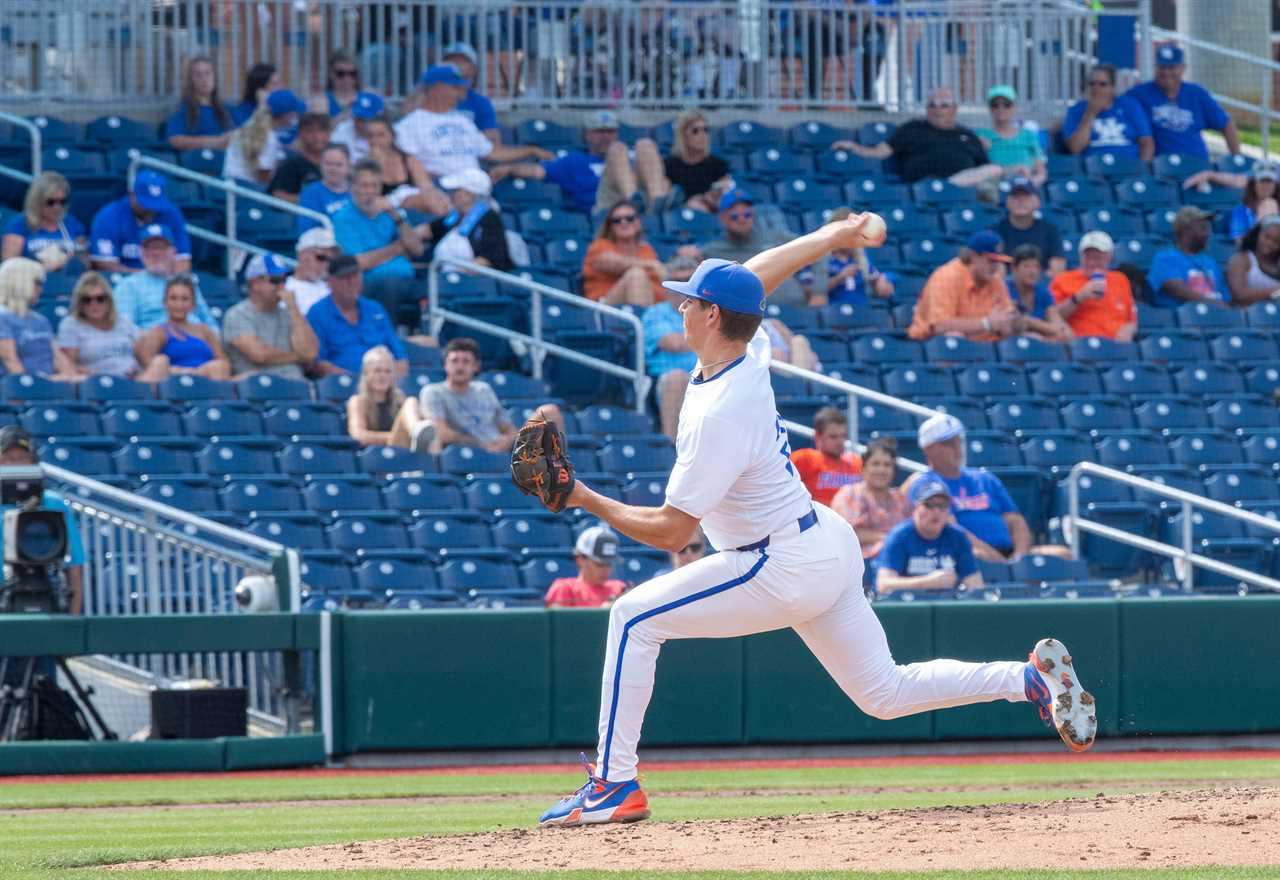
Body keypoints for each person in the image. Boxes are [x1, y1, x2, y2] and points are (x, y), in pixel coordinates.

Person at [537, 217, 1096, 828]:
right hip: (822, 540)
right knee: (884, 693)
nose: (681, 305)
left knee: (631, 618)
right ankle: (1027, 680)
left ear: (712, 317)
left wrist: (582, 496)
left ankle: (615, 784)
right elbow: (756, 277)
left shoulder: (720, 412)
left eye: (690, 300)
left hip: (773, 562)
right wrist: (832, 237)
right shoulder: (747, 349)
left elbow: (674, 533)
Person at [913, 413, 1070, 562]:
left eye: (958, 441)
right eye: (948, 443)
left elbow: (1015, 521)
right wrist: (995, 559)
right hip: (969, 554)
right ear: (928, 449)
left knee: (1063, 555)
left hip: (1009, 552)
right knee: (975, 556)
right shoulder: (926, 484)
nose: (957, 448)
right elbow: (952, 530)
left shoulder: (984, 478)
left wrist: (1019, 558)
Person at [488, 110, 666, 216]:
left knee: (646, 144)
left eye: (610, 132)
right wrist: (509, 168)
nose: (605, 137)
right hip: (606, 208)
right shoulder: (575, 161)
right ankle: (632, 202)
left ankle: (658, 203)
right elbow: (538, 171)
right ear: (587, 135)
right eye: (599, 132)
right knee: (618, 149)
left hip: (645, 202)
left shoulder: (632, 154)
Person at [394, 64, 549, 180]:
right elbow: (407, 165)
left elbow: (492, 152)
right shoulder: (409, 125)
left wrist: (531, 150)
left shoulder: (462, 121)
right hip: (443, 188)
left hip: (475, 186)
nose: (461, 93)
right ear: (436, 89)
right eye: (455, 87)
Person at [831, 87, 1002, 187]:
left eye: (943, 105)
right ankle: (944, 187)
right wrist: (855, 147)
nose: (937, 109)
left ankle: (949, 186)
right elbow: (880, 152)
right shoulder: (913, 128)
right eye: (932, 105)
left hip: (961, 190)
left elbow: (985, 168)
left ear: (954, 109)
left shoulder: (967, 135)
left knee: (995, 170)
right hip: (920, 187)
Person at [419, 337, 564, 454]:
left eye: (466, 361)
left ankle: (559, 476)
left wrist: (505, 441)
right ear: (445, 365)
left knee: (550, 411)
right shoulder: (433, 392)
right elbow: (440, 432)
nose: (460, 366)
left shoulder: (484, 389)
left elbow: (508, 428)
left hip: (503, 450)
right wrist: (481, 444)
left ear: (476, 366)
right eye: (454, 361)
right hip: (468, 452)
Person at [0, 426, 85, 614]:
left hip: (44, 594)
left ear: (33, 461)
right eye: (7, 458)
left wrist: (73, 622)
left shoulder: (53, 503)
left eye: (22, 458)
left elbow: (75, 565)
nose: (15, 465)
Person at [332, 159, 425, 328]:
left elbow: (417, 249)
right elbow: (358, 263)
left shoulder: (389, 214)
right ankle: (387, 339)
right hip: (368, 282)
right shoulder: (344, 218)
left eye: (374, 186)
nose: (370, 191)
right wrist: (397, 248)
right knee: (390, 284)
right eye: (364, 186)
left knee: (435, 287)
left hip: (407, 279)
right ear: (353, 187)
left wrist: (396, 216)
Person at [700, 189, 824, 307]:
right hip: (750, 315)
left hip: (796, 306)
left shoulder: (776, 237)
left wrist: (819, 292)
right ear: (722, 219)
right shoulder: (712, 251)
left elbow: (819, 246)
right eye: (735, 216)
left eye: (747, 215)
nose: (742, 220)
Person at [1124, 45, 1240, 160]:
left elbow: (1226, 125)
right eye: (1162, 67)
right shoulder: (1139, 94)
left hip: (1197, 163)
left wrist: (1236, 158)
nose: (1166, 72)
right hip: (1161, 167)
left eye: (1172, 67)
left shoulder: (1196, 93)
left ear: (1183, 68)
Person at [874, 478, 982, 597]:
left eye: (942, 506)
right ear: (915, 508)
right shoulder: (900, 536)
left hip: (948, 606)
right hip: (908, 607)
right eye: (929, 505)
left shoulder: (958, 537)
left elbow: (976, 584)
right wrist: (928, 582)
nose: (936, 511)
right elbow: (883, 585)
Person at [907, 231, 1019, 341]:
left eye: (998, 261)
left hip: (982, 347)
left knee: (1029, 338)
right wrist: (987, 323)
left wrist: (1010, 323)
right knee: (953, 336)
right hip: (932, 346)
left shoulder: (995, 281)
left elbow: (1007, 319)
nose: (995, 267)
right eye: (991, 261)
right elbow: (940, 326)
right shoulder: (946, 277)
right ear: (974, 256)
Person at [307, 253, 407, 376]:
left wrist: (393, 378)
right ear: (330, 282)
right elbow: (318, 363)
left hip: (383, 383)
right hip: (341, 386)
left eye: (355, 276)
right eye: (344, 277)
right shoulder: (317, 314)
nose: (351, 282)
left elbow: (400, 356)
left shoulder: (375, 308)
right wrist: (360, 382)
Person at [221, 253, 318, 379]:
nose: (281, 286)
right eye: (275, 281)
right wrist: (298, 357)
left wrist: (294, 310)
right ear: (255, 283)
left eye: (284, 280)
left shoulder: (289, 314)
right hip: (258, 387)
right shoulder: (237, 314)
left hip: (297, 387)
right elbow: (259, 354)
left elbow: (310, 352)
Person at [57, 272, 167, 381]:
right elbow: (68, 366)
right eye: (87, 300)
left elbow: (143, 357)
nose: (94, 304)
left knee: (161, 361)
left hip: (132, 378)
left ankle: (142, 393)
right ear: (80, 303)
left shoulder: (123, 323)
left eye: (100, 299)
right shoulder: (71, 325)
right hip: (97, 382)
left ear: (109, 300)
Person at [111, 224, 214, 330]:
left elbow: (211, 324)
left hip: (195, 340)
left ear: (173, 252)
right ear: (141, 253)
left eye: (161, 247)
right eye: (150, 248)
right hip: (154, 341)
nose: (156, 253)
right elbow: (125, 328)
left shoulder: (187, 282)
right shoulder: (128, 285)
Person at [89, 171, 192, 274]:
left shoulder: (171, 212)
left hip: (165, 281)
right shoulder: (109, 216)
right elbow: (105, 263)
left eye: (156, 203)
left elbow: (183, 260)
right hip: (124, 282)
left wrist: (167, 280)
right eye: (146, 204)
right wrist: (144, 280)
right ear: (132, 195)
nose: (151, 209)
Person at [134, 275, 231, 380]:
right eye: (173, 298)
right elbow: (149, 366)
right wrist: (188, 372)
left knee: (219, 366)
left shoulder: (204, 330)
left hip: (209, 382)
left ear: (193, 304)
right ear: (165, 302)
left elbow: (223, 362)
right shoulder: (158, 331)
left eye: (185, 299)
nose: (179, 304)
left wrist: (203, 372)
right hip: (174, 384)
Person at [831, 437, 909, 563]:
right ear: (863, 468)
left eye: (887, 465)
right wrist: (888, 539)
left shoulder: (900, 498)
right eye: (875, 464)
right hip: (858, 563)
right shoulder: (850, 494)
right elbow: (848, 534)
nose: (881, 470)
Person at [1049, 232, 1137, 340]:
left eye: (1098, 258)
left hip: (1116, 347)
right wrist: (1079, 297)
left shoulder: (1120, 280)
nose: (1092, 262)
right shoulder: (1063, 280)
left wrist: (1129, 329)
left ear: (1109, 258)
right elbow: (1052, 317)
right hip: (1081, 346)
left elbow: (1131, 319)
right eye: (1088, 257)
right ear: (1081, 257)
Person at [422, 169, 513, 271]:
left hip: (470, 283)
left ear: (469, 195)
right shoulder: (453, 217)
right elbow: (423, 233)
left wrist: (454, 277)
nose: (451, 195)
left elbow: (491, 258)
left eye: (455, 191)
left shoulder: (490, 220)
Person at [0, 258, 76, 379]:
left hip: (49, 386)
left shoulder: (40, 320)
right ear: (19, 282)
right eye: (37, 283)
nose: (41, 289)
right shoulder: (2, 318)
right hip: (20, 391)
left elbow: (57, 357)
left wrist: (70, 377)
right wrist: (37, 386)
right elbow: (11, 361)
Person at [346, 344, 431, 450]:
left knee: (411, 402)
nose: (382, 375)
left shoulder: (399, 397)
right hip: (374, 456)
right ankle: (416, 434)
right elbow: (359, 436)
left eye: (387, 371)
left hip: (401, 452)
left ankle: (418, 434)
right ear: (366, 374)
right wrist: (396, 437)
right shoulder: (357, 401)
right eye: (377, 371)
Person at [1061, 64, 1153, 161]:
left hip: (1129, 168)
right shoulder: (1076, 110)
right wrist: (1090, 113)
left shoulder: (1130, 106)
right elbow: (1075, 148)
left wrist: (1143, 169)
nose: (1096, 88)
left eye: (1102, 84)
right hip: (1093, 170)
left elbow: (1146, 142)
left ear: (1112, 88)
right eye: (1092, 84)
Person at [582, 201, 665, 306]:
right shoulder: (599, 245)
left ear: (638, 222)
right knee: (636, 275)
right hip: (605, 308)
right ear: (610, 226)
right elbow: (612, 263)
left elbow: (658, 277)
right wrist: (650, 264)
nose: (624, 222)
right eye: (617, 221)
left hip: (650, 303)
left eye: (629, 218)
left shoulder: (646, 249)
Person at [643, 281, 697, 440]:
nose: (683, 289)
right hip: (665, 381)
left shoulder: (708, 311)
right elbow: (674, 344)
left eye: (689, 280)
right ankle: (671, 448)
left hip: (707, 375)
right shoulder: (656, 313)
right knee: (676, 378)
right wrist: (712, 340)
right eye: (678, 282)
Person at [364, 116, 450, 215]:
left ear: (392, 136)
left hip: (412, 209)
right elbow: (368, 198)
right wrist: (376, 164)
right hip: (384, 213)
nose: (375, 140)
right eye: (370, 136)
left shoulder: (409, 160)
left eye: (380, 135)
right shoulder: (363, 166)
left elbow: (427, 188)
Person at [2, 171, 87, 271]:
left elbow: (85, 263)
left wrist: (72, 260)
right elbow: (9, 266)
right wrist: (42, 267)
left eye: (62, 202)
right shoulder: (19, 225)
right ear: (37, 201)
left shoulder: (72, 224)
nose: (57, 207)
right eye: (50, 202)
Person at [1147, 206, 1228, 308]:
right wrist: (1214, 304)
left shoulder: (1210, 263)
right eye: (1203, 228)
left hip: (1214, 319)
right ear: (1186, 230)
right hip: (1184, 321)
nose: (1209, 233)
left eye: (1209, 228)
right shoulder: (1166, 258)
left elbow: (1223, 296)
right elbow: (1177, 289)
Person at [223, 89, 307, 184]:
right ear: (286, 116)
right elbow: (263, 178)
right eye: (294, 113)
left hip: (231, 186)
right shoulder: (268, 136)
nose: (295, 117)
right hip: (245, 191)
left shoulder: (252, 123)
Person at [788, 407, 863, 508]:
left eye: (843, 436)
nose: (840, 442)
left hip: (849, 520)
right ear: (818, 436)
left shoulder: (856, 462)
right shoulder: (804, 458)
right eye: (833, 437)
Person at [820, 206, 893, 306]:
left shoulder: (861, 258)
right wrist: (840, 277)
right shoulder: (822, 258)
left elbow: (876, 281)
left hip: (863, 313)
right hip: (834, 313)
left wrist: (882, 284)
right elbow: (811, 291)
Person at [662, 108, 732, 213]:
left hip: (709, 212)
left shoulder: (718, 165)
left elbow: (724, 195)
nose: (702, 135)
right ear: (683, 135)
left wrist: (707, 198)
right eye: (695, 131)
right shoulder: (669, 165)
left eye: (705, 130)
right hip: (679, 214)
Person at [975, 85, 1047, 186]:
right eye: (995, 105)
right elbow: (975, 172)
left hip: (1025, 190)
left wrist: (1030, 184)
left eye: (1007, 105)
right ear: (990, 108)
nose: (1001, 109)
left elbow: (1041, 173)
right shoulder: (981, 136)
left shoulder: (1028, 135)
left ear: (1014, 107)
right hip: (995, 189)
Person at [993, 176, 1065, 277]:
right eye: (1015, 196)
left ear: (1037, 202)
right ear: (1007, 202)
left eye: (1026, 196)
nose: (1020, 201)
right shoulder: (995, 231)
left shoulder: (1050, 230)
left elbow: (1057, 270)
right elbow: (997, 273)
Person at [545, 526, 628, 608]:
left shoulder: (619, 588)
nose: (606, 569)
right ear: (580, 559)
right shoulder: (563, 588)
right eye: (600, 564)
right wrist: (602, 612)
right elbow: (558, 620)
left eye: (609, 564)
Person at [164, 56, 234, 152]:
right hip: (200, 163)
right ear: (191, 80)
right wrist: (214, 142)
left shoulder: (227, 109)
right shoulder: (183, 109)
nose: (204, 79)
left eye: (208, 73)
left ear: (215, 77)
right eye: (198, 75)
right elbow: (174, 140)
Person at [1008, 245, 1071, 341]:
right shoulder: (1005, 289)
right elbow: (1014, 323)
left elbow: (1060, 328)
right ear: (1014, 268)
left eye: (1036, 266)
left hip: (1041, 343)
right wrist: (1044, 329)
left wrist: (1032, 325)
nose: (1032, 271)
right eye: (1026, 266)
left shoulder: (1043, 293)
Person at [442, 42, 500, 145]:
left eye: (462, 62)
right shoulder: (430, 96)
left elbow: (493, 143)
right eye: (451, 61)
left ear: (473, 69)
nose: (456, 66)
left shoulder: (480, 102)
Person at [268, 113, 332, 203]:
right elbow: (277, 195)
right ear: (301, 134)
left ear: (329, 134)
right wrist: (311, 201)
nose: (316, 136)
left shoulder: (335, 161)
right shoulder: (291, 164)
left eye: (321, 130)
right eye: (310, 131)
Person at [297, 143, 352, 234]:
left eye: (339, 165)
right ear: (320, 164)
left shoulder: (359, 189)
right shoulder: (311, 193)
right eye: (329, 164)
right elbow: (307, 231)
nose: (333, 169)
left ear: (348, 166)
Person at [1226, 215, 1280, 305]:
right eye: (1266, 237)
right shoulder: (1242, 259)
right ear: (1258, 234)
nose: (1269, 243)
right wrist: (1276, 292)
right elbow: (1239, 295)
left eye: (1276, 241)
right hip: (1245, 316)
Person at [286, 227, 337, 316]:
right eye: (321, 258)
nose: (327, 264)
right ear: (303, 255)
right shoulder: (286, 288)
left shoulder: (334, 287)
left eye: (330, 260)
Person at [322, 51, 380, 123]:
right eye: (340, 73)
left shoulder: (373, 99)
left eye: (352, 74)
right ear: (330, 74)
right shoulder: (321, 102)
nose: (347, 78)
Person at [1228, 164, 1279, 242]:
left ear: (1275, 185)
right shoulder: (1241, 210)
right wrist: (1262, 220)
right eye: (1262, 181)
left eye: (1269, 181)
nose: (1265, 186)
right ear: (1253, 184)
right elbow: (1240, 242)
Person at [331, 92, 383, 165]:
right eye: (358, 119)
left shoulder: (387, 134)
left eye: (365, 120)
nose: (360, 124)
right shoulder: (342, 130)